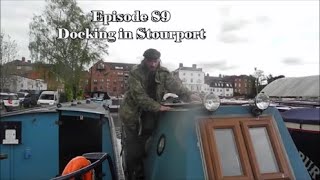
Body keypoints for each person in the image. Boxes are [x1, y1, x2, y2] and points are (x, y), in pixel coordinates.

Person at [119, 48, 201, 180]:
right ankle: (133, 175)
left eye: (155, 61)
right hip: (133, 114)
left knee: (150, 141)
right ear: (144, 60)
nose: (152, 64)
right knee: (133, 149)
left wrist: (190, 96)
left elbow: (177, 87)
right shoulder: (135, 73)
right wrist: (158, 107)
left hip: (151, 112)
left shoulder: (163, 73)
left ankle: (148, 168)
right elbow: (139, 97)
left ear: (159, 61)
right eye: (150, 61)